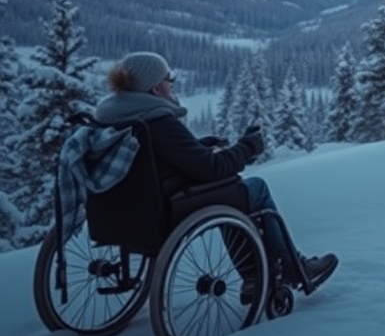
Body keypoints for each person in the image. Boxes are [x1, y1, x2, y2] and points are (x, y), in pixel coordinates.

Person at [94, 51, 338, 291]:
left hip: (123, 212)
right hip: (166, 208)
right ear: (156, 89)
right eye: (170, 80)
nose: (173, 85)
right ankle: (290, 269)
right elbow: (213, 170)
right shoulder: (158, 122)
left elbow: (155, 158)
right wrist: (247, 147)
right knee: (251, 189)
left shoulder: (110, 119)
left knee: (233, 192)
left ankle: (257, 274)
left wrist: (195, 147)